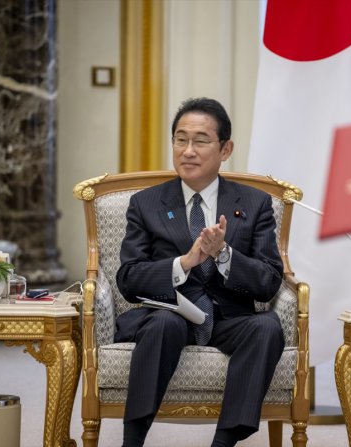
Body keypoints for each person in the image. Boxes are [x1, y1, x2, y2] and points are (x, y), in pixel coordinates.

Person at [114, 97, 285, 447]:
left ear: (225, 149)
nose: (188, 151)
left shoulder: (255, 204)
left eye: (201, 141)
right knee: (163, 324)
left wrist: (223, 253)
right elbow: (128, 278)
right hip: (172, 316)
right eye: (181, 139)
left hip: (229, 320)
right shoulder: (146, 204)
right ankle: (132, 441)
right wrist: (184, 263)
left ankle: (223, 442)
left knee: (267, 326)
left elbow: (269, 281)